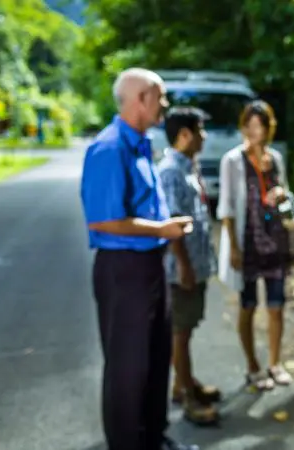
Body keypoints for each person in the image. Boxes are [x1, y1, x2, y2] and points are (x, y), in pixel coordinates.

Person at [80, 67, 199, 450]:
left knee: (154, 355)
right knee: (127, 367)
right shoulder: (109, 147)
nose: (165, 105)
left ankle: (154, 438)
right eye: (160, 97)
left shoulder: (141, 144)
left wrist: (165, 230)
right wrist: (161, 230)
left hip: (150, 267)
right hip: (122, 272)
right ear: (141, 100)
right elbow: (103, 219)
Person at [217, 100, 293, 390]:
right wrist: (233, 248)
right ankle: (252, 366)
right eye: (248, 124)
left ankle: (275, 363)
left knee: (276, 306)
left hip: (274, 242)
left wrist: (281, 194)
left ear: (267, 128)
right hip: (246, 244)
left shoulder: (275, 158)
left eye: (259, 125)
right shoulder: (232, 160)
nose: (253, 130)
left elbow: (284, 194)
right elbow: (225, 208)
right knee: (247, 306)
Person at [157, 106, 220, 426]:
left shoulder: (187, 166)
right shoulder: (170, 171)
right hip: (183, 268)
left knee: (188, 327)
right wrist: (183, 266)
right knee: (180, 332)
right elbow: (172, 223)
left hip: (195, 263)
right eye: (200, 130)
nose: (205, 136)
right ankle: (187, 398)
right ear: (184, 135)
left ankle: (186, 382)